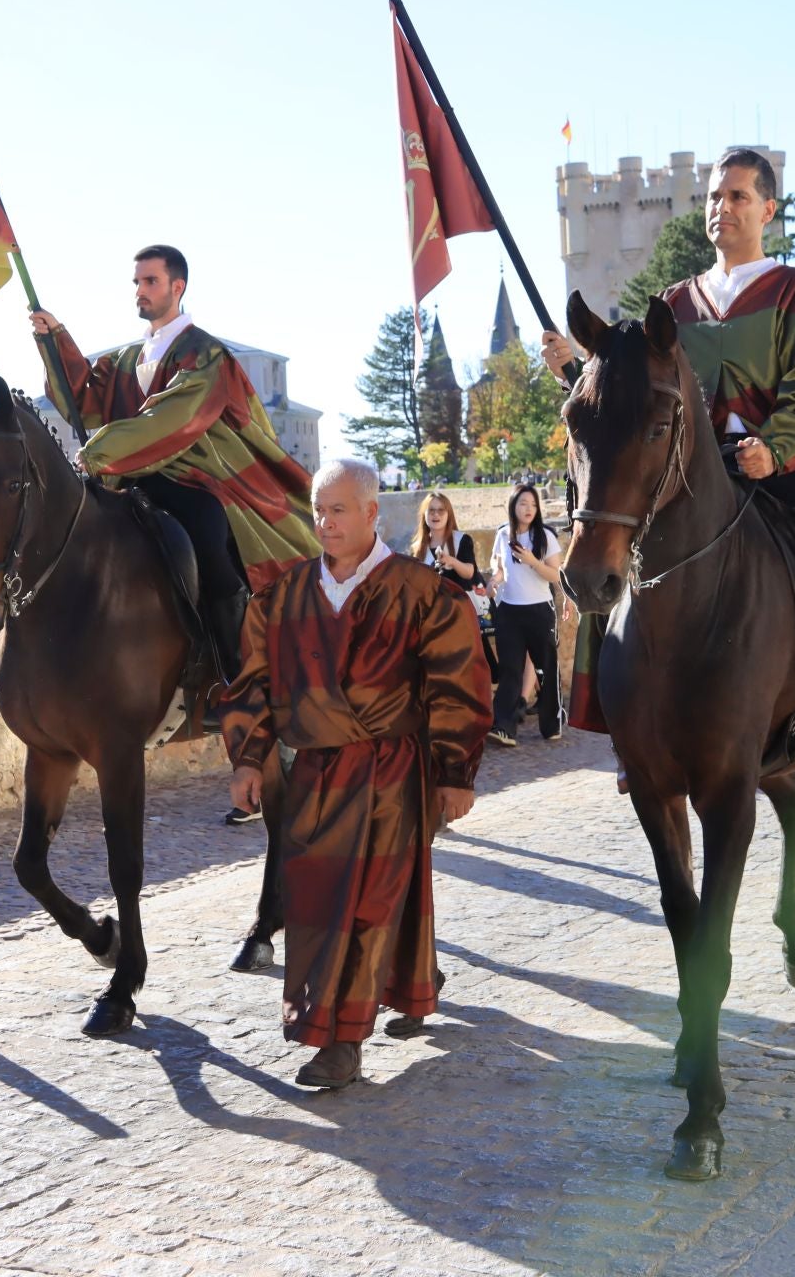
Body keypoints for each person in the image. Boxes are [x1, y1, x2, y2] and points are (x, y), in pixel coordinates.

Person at [543, 146, 795, 795]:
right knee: (606, 550)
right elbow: (635, 396)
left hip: (790, 471)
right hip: (688, 477)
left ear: (768, 209)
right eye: (716, 197)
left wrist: (776, 444)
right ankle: (628, 727)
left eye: (739, 196)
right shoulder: (675, 305)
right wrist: (575, 373)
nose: (723, 207)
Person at [224, 458, 490, 1087]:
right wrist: (249, 757)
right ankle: (399, 990)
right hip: (315, 776)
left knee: (371, 904)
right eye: (317, 510)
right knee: (317, 904)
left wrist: (456, 770)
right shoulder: (284, 596)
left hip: (393, 773)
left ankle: (339, 1042)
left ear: (373, 513)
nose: (324, 522)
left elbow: (459, 682)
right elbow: (253, 682)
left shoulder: (422, 593)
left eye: (338, 509)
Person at [31, 245, 320, 682]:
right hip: (132, 479)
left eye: (150, 282)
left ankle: (240, 673)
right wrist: (55, 340)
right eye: (137, 283)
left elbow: (176, 419)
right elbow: (84, 399)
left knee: (207, 533)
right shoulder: (131, 358)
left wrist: (98, 453)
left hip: (199, 480)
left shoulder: (205, 356)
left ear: (177, 287)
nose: (140, 292)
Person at [488, 485, 564, 747]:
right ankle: (504, 728)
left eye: (532, 504)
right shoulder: (502, 535)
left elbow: (556, 576)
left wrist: (533, 560)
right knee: (510, 669)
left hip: (539, 610)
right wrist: (493, 582)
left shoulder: (545, 536)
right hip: (509, 610)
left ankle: (552, 723)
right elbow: (499, 568)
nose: (528, 509)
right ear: (513, 506)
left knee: (546, 668)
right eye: (523, 503)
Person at [410, 491, 496, 682]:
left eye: (441, 510)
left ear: (449, 514)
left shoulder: (460, 540)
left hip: (460, 613)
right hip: (432, 617)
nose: (436, 514)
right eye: (431, 510)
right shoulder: (418, 546)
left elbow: (470, 572)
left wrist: (451, 561)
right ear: (424, 515)